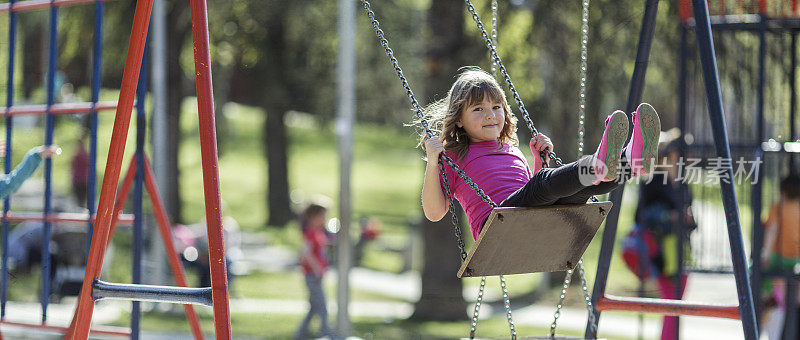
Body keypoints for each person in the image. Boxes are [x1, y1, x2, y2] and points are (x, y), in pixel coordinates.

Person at [420, 67, 661, 242]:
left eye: (496, 107)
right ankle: (599, 164)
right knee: (549, 181)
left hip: (530, 217)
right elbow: (434, 213)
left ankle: (631, 162)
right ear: (459, 120)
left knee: (584, 190)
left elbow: (534, 194)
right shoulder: (454, 156)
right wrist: (433, 163)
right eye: (478, 109)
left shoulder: (511, 149)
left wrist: (539, 161)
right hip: (496, 226)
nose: (490, 115)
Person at [631, 129, 696, 340]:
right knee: (672, 306)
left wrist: (687, 219)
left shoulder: (683, 184)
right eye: (682, 153)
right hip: (660, 252)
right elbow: (640, 217)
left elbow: (692, 222)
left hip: (682, 252)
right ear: (670, 153)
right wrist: (671, 217)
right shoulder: (653, 182)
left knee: (676, 307)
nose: (687, 158)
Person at [759, 173, 800, 340]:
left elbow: (772, 230)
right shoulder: (798, 209)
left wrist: (765, 255)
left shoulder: (778, 207)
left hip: (777, 258)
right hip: (794, 260)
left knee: (755, 275)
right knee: (786, 299)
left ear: (782, 191)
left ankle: (767, 305)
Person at [295, 203, 334, 340]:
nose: (325, 218)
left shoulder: (318, 232)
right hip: (313, 276)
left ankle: (300, 335)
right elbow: (305, 253)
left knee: (313, 308)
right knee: (322, 307)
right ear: (313, 216)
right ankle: (327, 334)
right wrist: (317, 269)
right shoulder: (310, 233)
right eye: (322, 215)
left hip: (315, 275)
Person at [71, 134, 90, 207]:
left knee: (80, 199)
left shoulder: (76, 155)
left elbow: (72, 167)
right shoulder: (86, 155)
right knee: (82, 198)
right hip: (82, 179)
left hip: (80, 179)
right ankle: (82, 207)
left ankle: (81, 207)